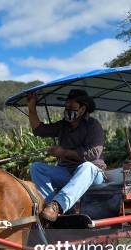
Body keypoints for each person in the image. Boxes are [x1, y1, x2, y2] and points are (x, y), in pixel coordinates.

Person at [28, 89, 106, 222]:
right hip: (67, 173)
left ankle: (57, 205)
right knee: (36, 167)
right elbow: (39, 130)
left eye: (72, 107)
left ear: (82, 109)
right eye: (66, 106)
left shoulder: (93, 125)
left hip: (92, 174)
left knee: (87, 166)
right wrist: (31, 107)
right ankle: (50, 206)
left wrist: (63, 152)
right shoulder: (63, 125)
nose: (67, 109)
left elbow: (94, 154)